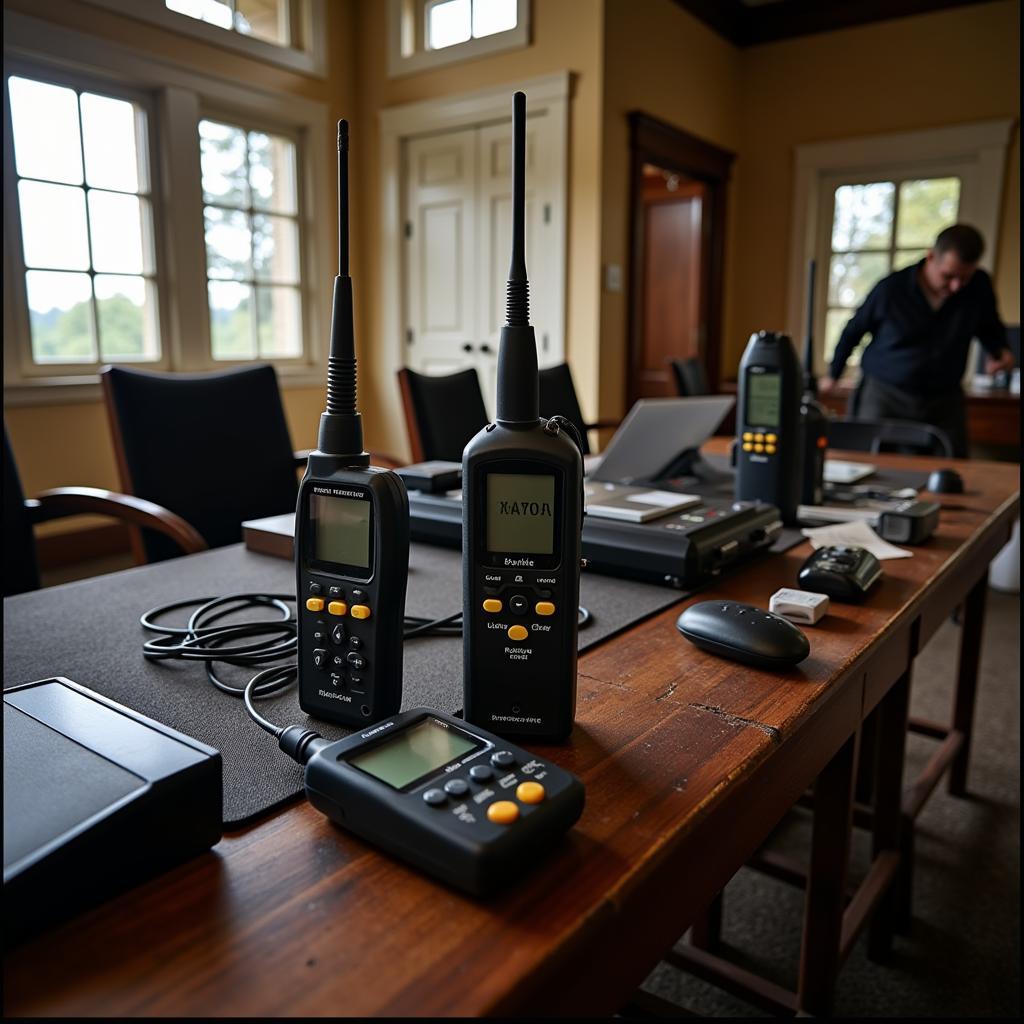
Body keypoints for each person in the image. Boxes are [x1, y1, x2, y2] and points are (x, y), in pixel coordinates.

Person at [820, 224, 1014, 457]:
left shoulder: (979, 287)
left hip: (944, 398)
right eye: (948, 276)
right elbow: (853, 331)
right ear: (931, 256)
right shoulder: (891, 289)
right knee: (868, 464)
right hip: (885, 394)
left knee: (953, 469)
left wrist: (999, 351)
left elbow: (989, 326)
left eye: (964, 278)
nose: (956, 286)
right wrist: (833, 374)